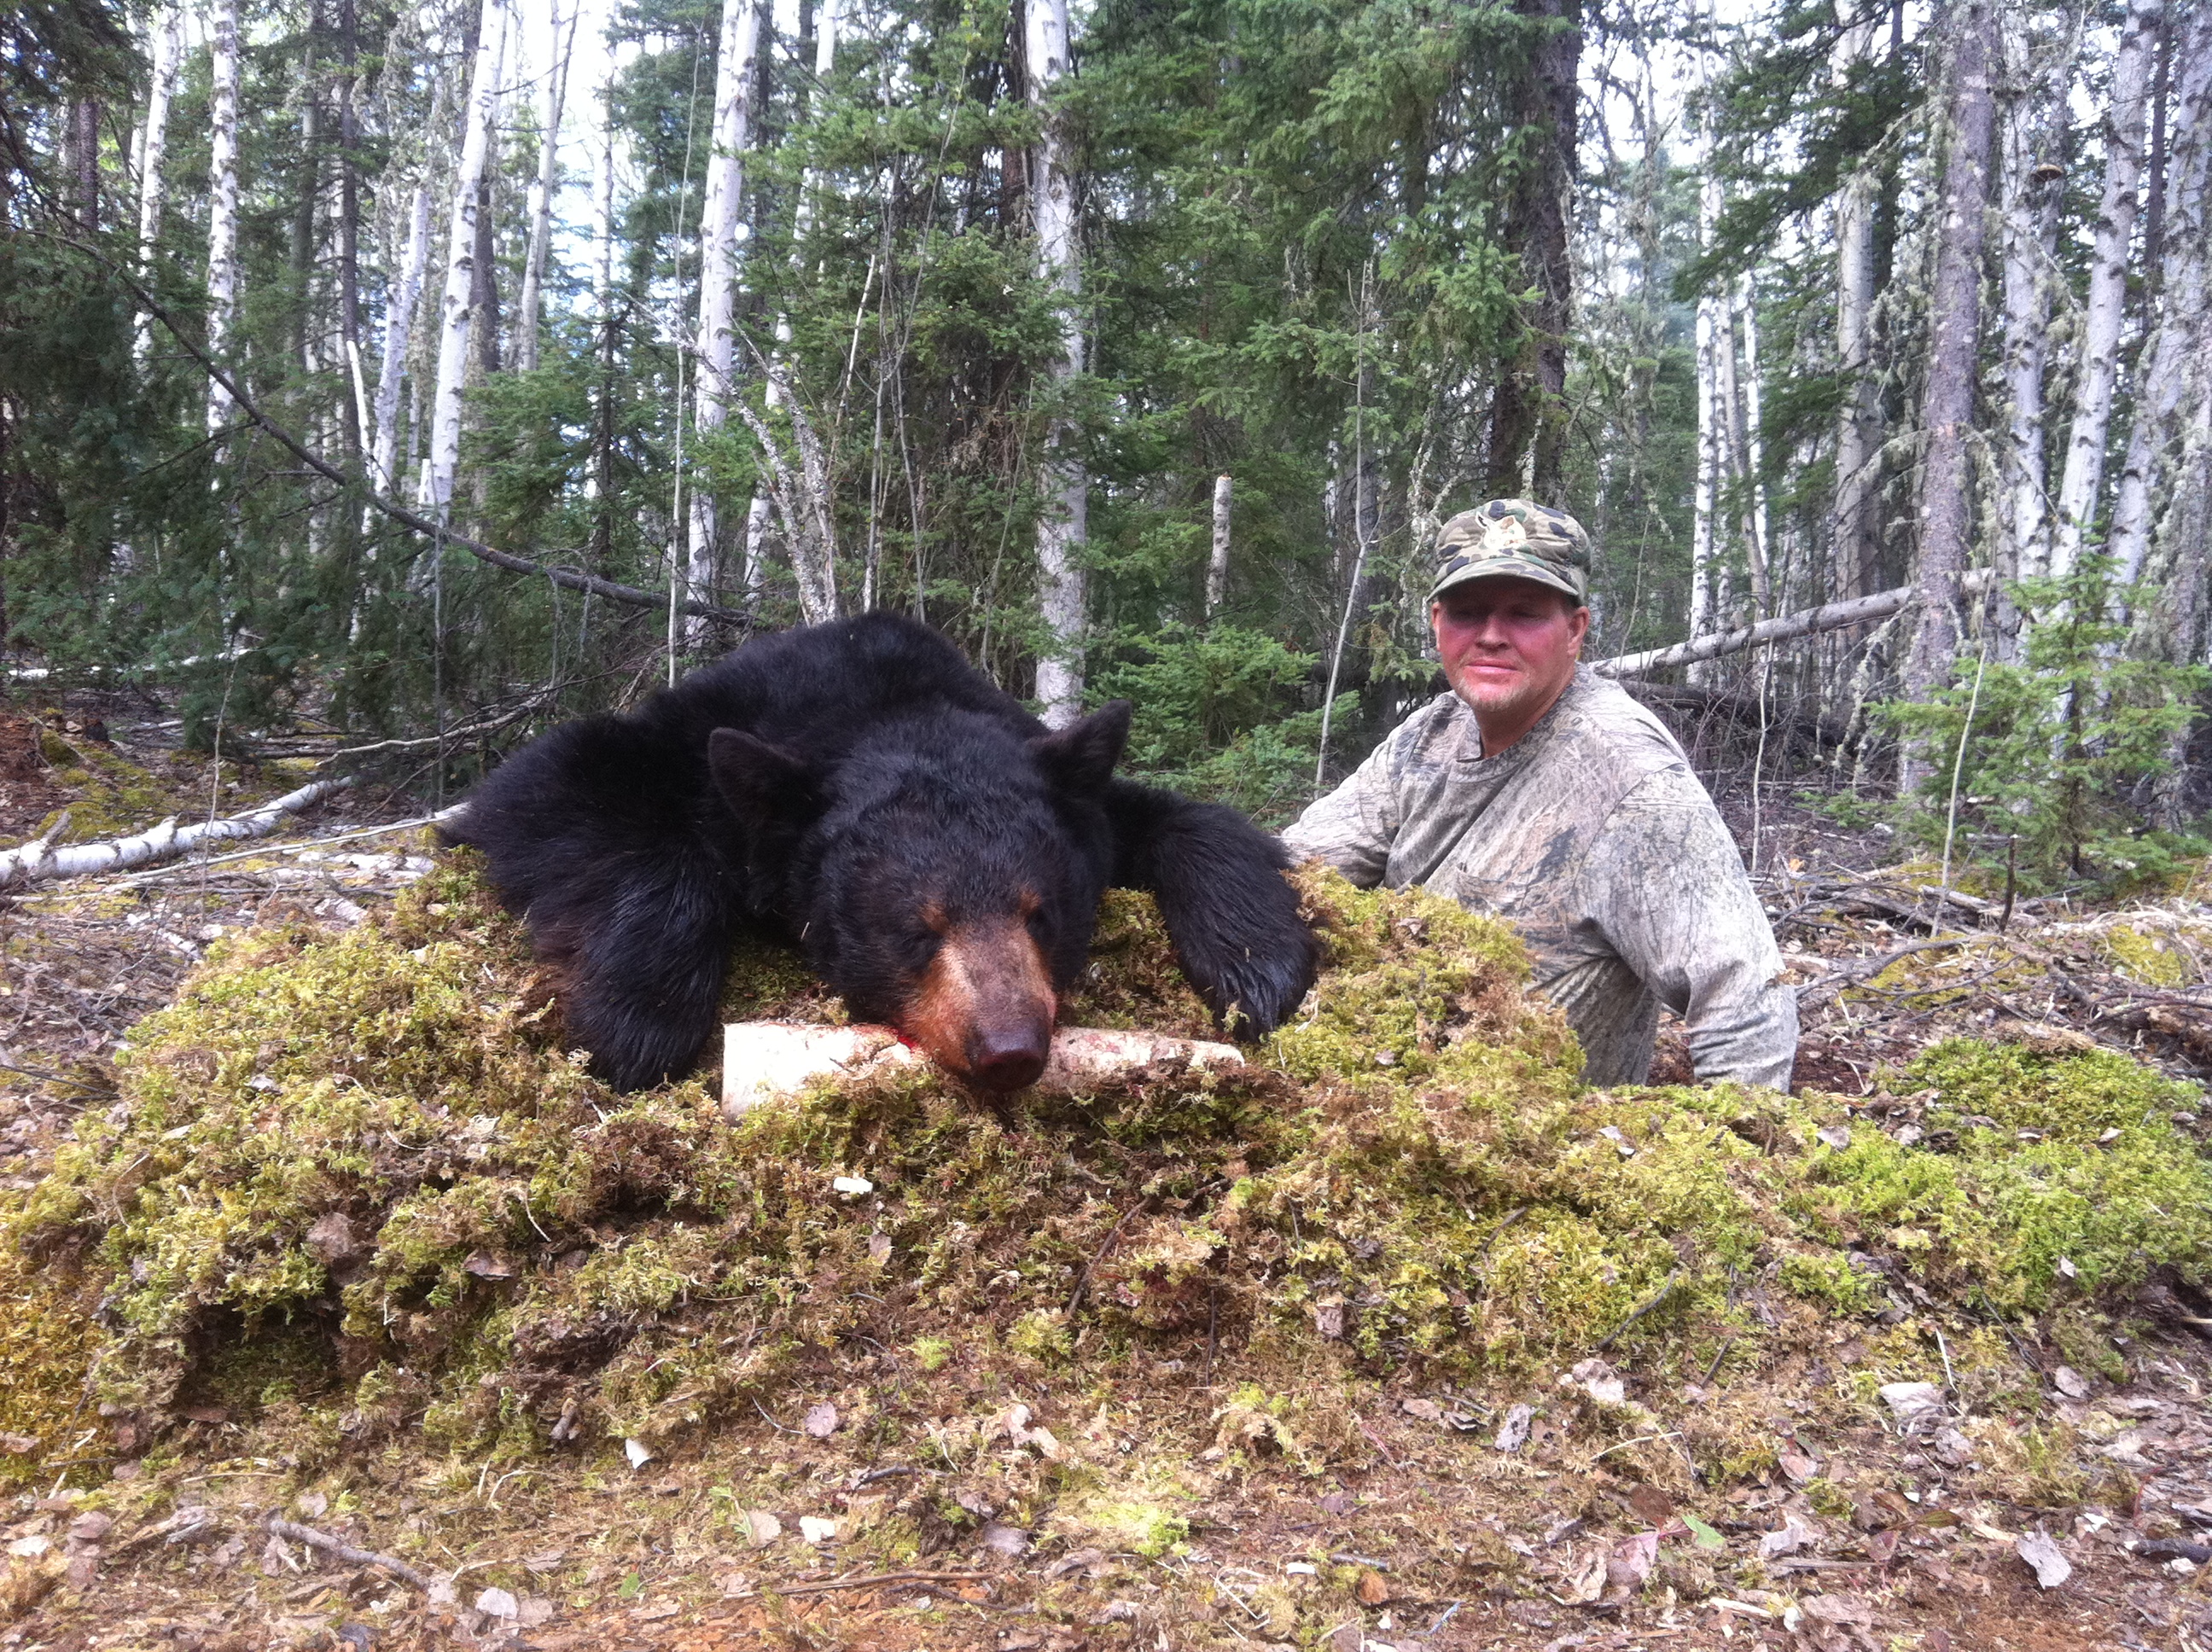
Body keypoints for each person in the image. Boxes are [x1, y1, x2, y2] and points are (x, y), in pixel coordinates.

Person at [1282, 498, 1797, 1089]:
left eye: (1524, 614)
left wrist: (1737, 1159)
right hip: (1380, 1110)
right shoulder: (1431, 734)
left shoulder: (1629, 779)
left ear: (1575, 629)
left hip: (1538, 1149)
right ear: (1436, 623)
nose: (1491, 637)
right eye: (1467, 613)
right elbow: (1301, 872)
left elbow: (1745, 998)